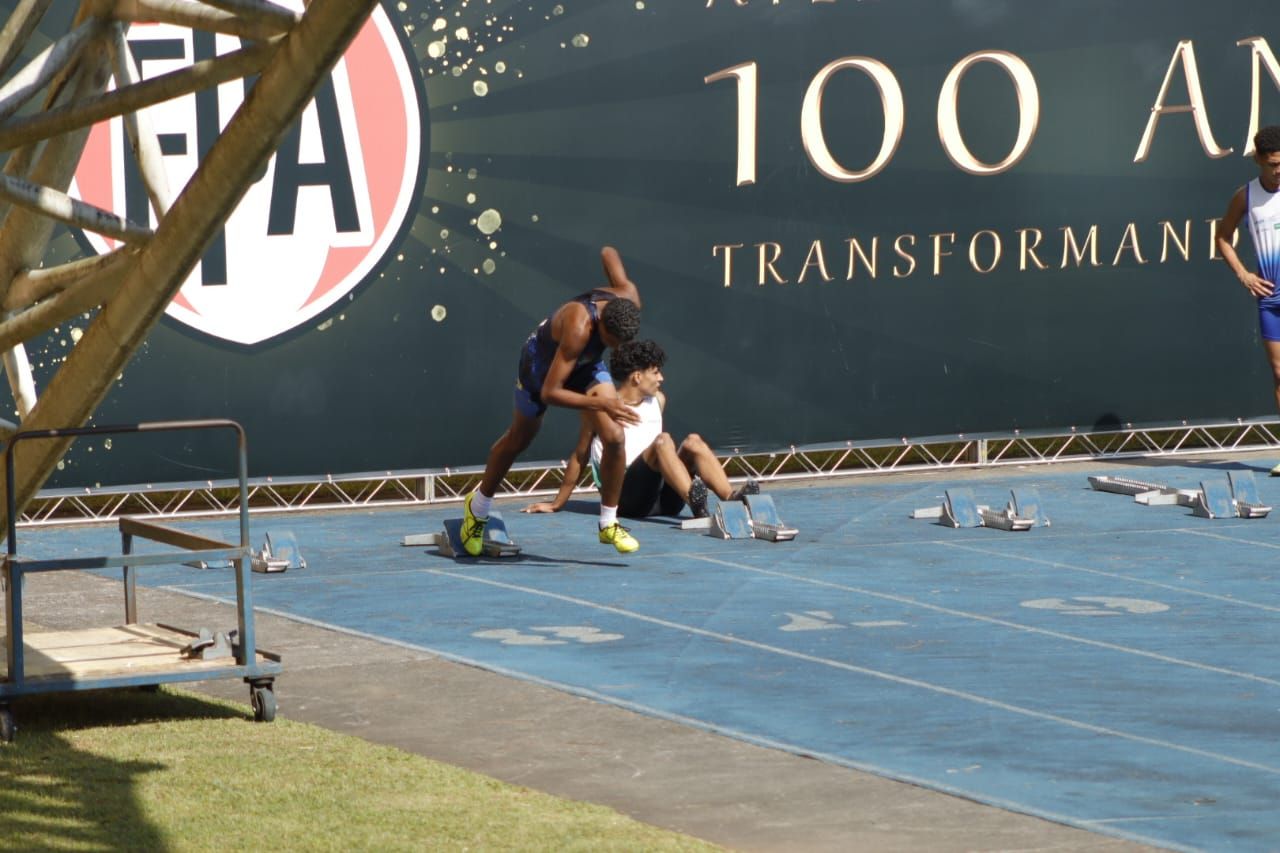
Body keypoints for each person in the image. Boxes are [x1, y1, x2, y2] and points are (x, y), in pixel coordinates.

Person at [461, 246, 643, 555]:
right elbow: (551, 392)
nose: (616, 349)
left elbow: (608, 252)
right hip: (541, 368)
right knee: (519, 439)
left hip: (585, 365)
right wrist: (602, 404)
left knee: (614, 435)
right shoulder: (578, 327)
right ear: (601, 326)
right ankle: (477, 508)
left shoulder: (627, 298)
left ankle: (608, 523)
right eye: (612, 343)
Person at [522, 339, 759, 520]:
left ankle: (733, 499)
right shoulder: (601, 407)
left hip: (662, 499)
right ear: (636, 377)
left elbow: (660, 460)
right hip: (625, 500)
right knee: (663, 441)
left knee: (693, 442)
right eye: (655, 372)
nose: (662, 378)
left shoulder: (658, 400)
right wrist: (557, 503)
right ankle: (696, 503)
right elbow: (579, 455)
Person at [1217, 125, 1280, 473]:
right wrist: (1244, 274)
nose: (1279, 169)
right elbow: (1223, 237)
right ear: (1258, 160)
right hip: (1271, 297)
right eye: (1272, 164)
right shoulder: (1245, 197)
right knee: (1279, 372)